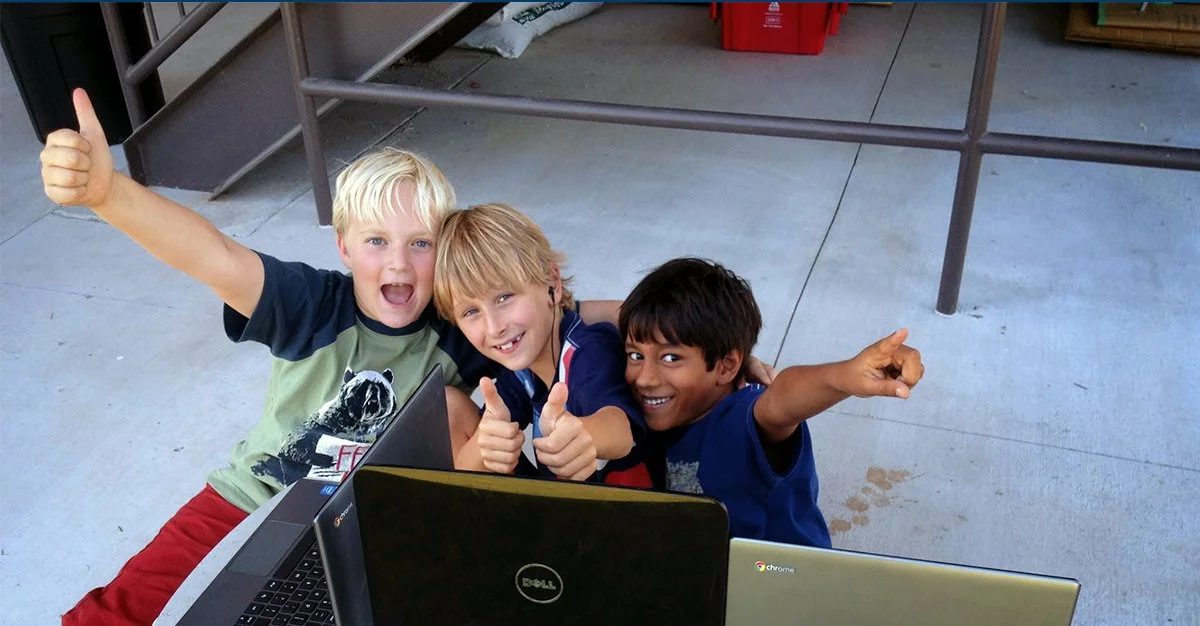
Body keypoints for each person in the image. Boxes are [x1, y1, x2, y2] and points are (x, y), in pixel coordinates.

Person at [40, 89, 618, 625]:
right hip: (252, 500)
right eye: (376, 241)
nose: (398, 263)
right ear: (343, 245)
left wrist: (675, 313)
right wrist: (108, 193)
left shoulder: (462, 326)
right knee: (126, 606)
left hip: (364, 527)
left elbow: (557, 312)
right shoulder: (310, 304)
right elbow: (211, 254)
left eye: (421, 243)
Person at [618, 257, 925, 547]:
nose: (644, 378)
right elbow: (582, 320)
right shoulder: (649, 405)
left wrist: (844, 375)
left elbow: (781, 402)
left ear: (725, 366)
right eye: (636, 355)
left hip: (777, 583)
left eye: (671, 358)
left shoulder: (736, 418)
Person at [435, 203, 644, 483]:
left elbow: (620, 426)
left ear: (552, 284)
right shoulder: (520, 373)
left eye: (504, 297)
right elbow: (465, 468)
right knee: (451, 408)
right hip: (564, 509)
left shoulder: (587, 349)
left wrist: (585, 434)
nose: (495, 327)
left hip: (625, 515)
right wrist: (484, 448)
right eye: (471, 312)